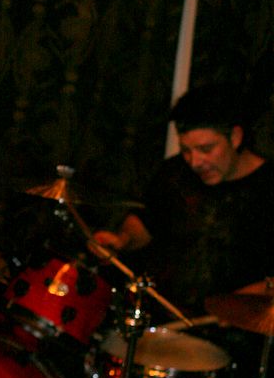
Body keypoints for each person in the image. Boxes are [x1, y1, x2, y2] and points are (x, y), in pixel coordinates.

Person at [93, 83, 274, 319]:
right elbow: (147, 223)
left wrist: (248, 300)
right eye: (186, 150)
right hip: (159, 318)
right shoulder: (175, 173)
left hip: (229, 329)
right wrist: (122, 239)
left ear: (236, 137)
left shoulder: (268, 188)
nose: (195, 161)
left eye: (206, 149)